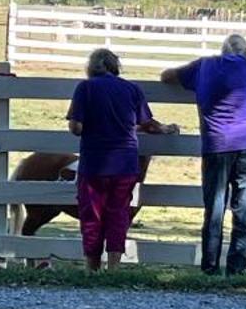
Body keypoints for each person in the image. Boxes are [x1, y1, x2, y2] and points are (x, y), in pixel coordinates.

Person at [160, 32, 246, 275]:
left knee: (215, 208)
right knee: (244, 208)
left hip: (216, 144)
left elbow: (166, 76)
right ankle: (236, 268)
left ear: (222, 51)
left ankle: (210, 267)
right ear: (245, 52)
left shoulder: (203, 66)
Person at [66, 46, 177, 271]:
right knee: (118, 215)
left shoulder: (85, 88)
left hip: (94, 163)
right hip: (125, 163)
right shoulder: (131, 89)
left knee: (92, 216)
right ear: (114, 66)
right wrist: (167, 129)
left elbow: (76, 128)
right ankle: (113, 268)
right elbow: (148, 123)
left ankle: (91, 267)